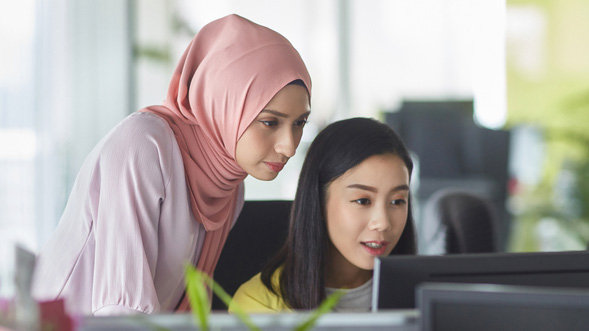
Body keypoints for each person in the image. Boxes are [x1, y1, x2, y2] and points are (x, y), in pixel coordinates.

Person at [32, 14, 312, 316]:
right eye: (270, 122)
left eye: (299, 123)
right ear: (225, 105)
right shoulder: (143, 145)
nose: (289, 146)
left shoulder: (228, 185)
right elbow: (121, 309)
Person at [230, 117, 417, 313]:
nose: (383, 223)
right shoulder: (260, 306)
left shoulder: (429, 294)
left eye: (397, 201)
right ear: (317, 202)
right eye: (363, 201)